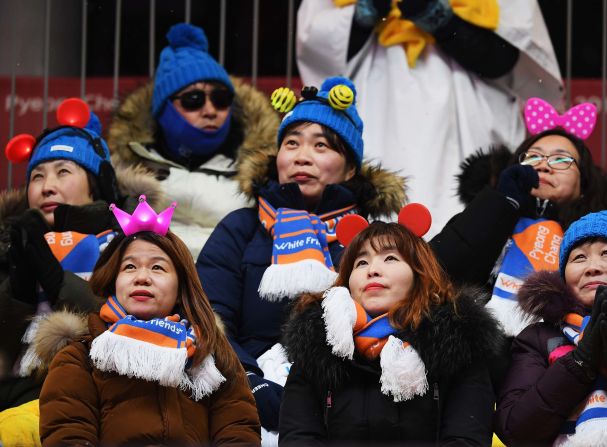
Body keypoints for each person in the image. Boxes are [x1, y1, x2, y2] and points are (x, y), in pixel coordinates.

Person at [196, 76, 407, 438]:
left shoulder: (371, 241)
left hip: (345, 394)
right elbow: (207, 313)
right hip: (244, 392)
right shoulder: (242, 227)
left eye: (321, 145)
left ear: (351, 167)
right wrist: (249, 383)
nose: (301, 156)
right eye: (291, 143)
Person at [296, 0, 564, 236]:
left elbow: (507, 56)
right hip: (377, 97)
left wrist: (442, 22)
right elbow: (317, 47)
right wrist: (369, 12)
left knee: (474, 221)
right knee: (375, 225)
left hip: (472, 110)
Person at [37, 196, 261, 445]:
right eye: (130, 267)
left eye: (157, 268)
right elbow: (68, 434)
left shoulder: (209, 354)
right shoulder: (80, 357)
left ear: (181, 288)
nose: (142, 277)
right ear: (113, 281)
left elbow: (238, 429)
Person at [279, 213, 503, 444]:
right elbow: (299, 437)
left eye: (390, 259)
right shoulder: (317, 348)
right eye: (361, 262)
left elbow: (465, 438)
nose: (372, 270)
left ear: (419, 274)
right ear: (347, 282)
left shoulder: (458, 345)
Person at [429, 98, 607, 337]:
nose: (544, 166)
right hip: (476, 345)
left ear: (583, 183)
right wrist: (502, 202)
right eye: (533, 158)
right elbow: (436, 271)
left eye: (561, 159)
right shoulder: (488, 212)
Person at [0, 100, 158, 413]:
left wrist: (57, 280)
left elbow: (137, 329)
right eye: (38, 176)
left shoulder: (133, 243)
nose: (48, 187)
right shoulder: (7, 243)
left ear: (95, 185)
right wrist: (17, 291)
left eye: (62, 172)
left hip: (98, 397)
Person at [496, 209, 607, 446]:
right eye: (579, 257)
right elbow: (515, 432)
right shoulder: (538, 338)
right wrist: (579, 364)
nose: (592, 267)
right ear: (564, 275)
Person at [107, 22, 279, 258]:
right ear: (164, 109)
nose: (210, 110)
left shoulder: (263, 177)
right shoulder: (120, 175)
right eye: (194, 99)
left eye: (220, 98)